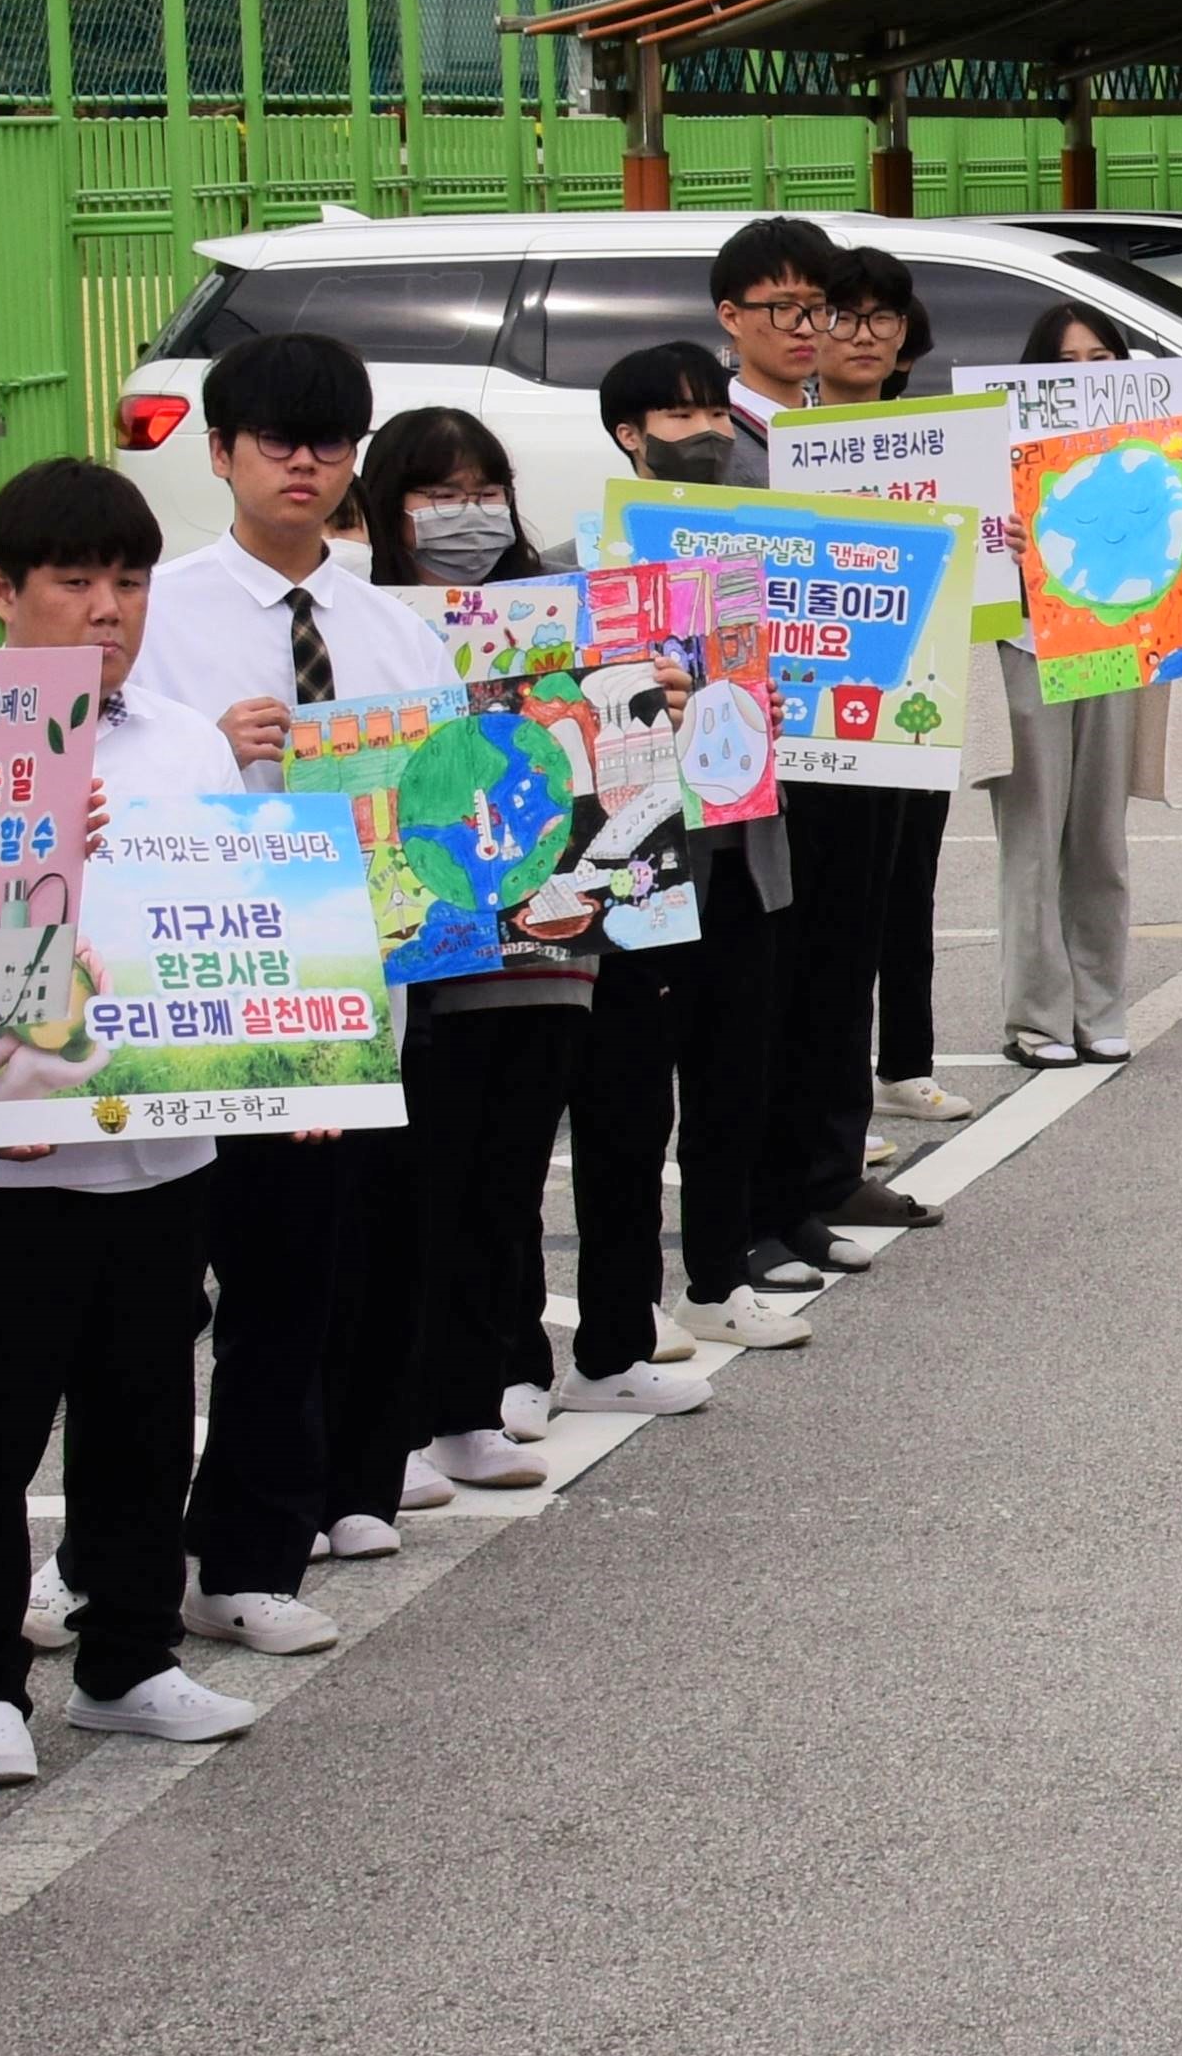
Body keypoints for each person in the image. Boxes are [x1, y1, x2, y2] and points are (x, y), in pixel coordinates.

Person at [0, 460, 263, 1795]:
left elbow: (235, 924)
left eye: (128, 579)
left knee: (143, 1415)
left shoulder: (183, 739)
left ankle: (127, 1656)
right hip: (0, 1158)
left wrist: (289, 1074)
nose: (107, 607)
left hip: (161, 1148)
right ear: (3, 590)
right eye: (75, 580)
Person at [133, 327, 486, 1613]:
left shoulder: (392, 630)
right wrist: (207, 746)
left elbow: (450, 804)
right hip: (189, 993)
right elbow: (101, 774)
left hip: (350, 1001)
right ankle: (106, 1552)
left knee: (299, 1285)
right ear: (219, 451)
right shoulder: (155, 614)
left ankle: (255, 1549)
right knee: (152, 1305)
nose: (305, 464)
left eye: (331, 442)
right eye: (277, 440)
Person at [357, 409, 655, 1468]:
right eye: (438, 494)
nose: (467, 515)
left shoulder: (557, 616)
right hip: (421, 963)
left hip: (546, 951)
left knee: (508, 1183)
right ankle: (415, 1414)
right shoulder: (362, 618)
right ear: (387, 504)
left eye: (484, 491)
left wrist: (653, 698)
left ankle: (479, 1400)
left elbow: (612, 756)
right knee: (423, 1192)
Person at [570, 344, 812, 1360]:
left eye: (715, 411)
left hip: (746, 852)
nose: (706, 431)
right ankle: (623, 1309)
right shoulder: (585, 562)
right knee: (627, 1107)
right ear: (628, 434)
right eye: (678, 416)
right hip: (637, 869)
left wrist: (782, 701)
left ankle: (720, 1277)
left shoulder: (759, 551)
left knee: (733, 1081)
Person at [704, 229, 933, 1277]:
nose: (809, 329)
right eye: (786, 309)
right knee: (773, 976)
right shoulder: (717, 443)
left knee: (848, 950)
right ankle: (763, 1199)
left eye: (821, 310)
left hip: (866, 725)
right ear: (732, 318)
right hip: (761, 745)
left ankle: (827, 1171)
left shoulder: (852, 432)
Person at [810, 248, 977, 1128]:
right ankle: (829, 1099)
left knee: (912, 880)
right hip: (815, 702)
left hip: (919, 690)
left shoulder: (939, 441)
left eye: (884, 318)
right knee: (830, 907)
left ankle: (906, 1062)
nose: (864, 335)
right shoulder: (784, 442)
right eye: (845, 315)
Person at [987, 304, 1148, 1061]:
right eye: (1065, 361)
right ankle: (1037, 1018)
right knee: (1033, 834)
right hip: (1028, 643)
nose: (1084, 375)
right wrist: (1005, 533)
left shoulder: (1150, 443)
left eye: (1100, 359)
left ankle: (1099, 1006)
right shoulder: (996, 437)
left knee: (1100, 836)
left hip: (1110, 642)